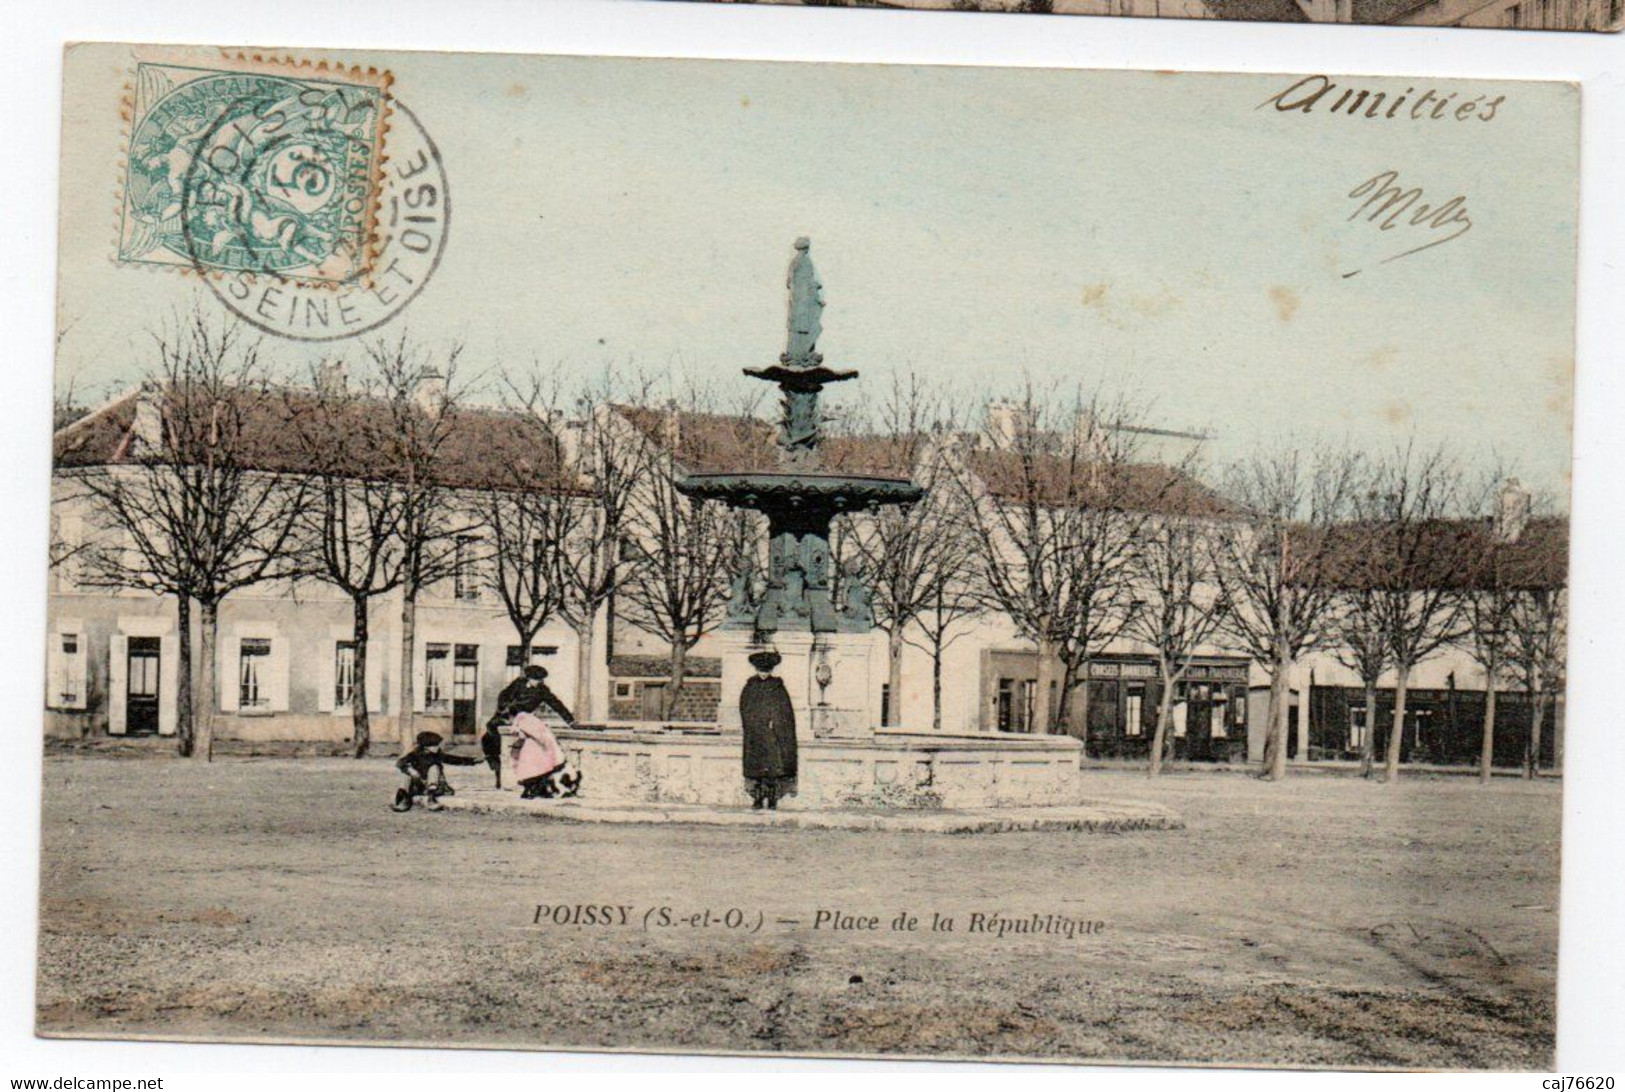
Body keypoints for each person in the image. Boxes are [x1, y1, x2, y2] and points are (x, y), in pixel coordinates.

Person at [740, 650, 796, 809]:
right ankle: (757, 799)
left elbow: (784, 710)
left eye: (766, 671)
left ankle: (772, 799)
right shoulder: (750, 686)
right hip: (755, 734)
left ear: (771, 670)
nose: (763, 674)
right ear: (756, 670)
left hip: (773, 734)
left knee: (772, 769)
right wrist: (752, 724)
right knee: (756, 769)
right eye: (760, 670)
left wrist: (776, 723)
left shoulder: (777, 687)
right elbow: (745, 707)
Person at [392, 731, 480, 812]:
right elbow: (400, 763)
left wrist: (473, 761)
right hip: (420, 785)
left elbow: (453, 759)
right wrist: (411, 771)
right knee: (406, 774)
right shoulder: (415, 754)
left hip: (436, 786)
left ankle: (431, 800)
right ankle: (403, 800)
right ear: (426, 747)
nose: (437, 747)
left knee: (434, 767)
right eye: (434, 745)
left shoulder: (438, 755)